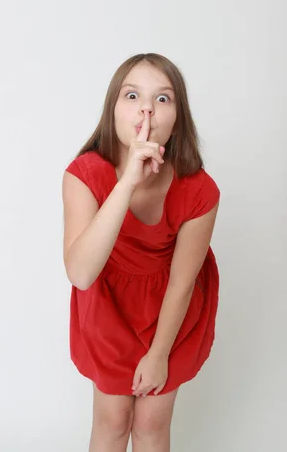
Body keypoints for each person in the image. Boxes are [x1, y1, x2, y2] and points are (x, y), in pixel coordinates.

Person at [62, 53, 220, 452]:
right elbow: (80, 273)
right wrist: (128, 180)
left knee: (152, 423)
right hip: (109, 307)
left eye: (162, 99)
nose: (147, 108)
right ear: (112, 109)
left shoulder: (200, 190)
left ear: (178, 118)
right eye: (132, 96)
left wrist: (159, 354)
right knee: (112, 421)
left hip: (172, 313)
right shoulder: (84, 174)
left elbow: (183, 283)